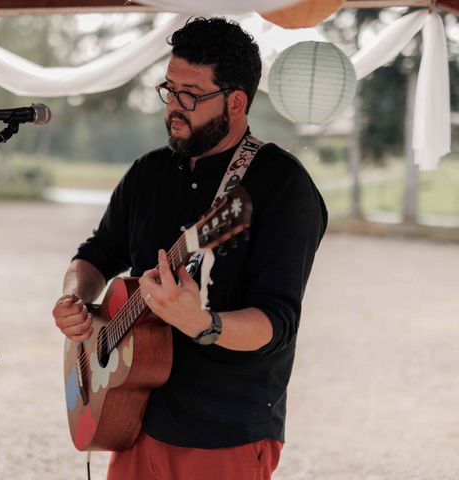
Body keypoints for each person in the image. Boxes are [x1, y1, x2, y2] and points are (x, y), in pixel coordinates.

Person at [52, 17, 327, 480]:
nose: (174, 107)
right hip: (133, 414)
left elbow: (277, 322)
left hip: (225, 432)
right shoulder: (149, 172)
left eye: (191, 95)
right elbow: (96, 254)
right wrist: (74, 298)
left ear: (236, 101)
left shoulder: (282, 186)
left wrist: (201, 322)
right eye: (169, 89)